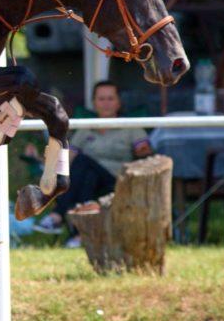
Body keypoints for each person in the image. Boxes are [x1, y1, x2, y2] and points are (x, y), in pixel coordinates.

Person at [32, 80, 152, 247]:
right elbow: (67, 159)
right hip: (89, 182)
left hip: (117, 182)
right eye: (101, 99)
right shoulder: (85, 128)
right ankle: (79, 236)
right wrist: (45, 163)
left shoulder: (131, 127)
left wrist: (143, 151)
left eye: (110, 98)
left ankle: (57, 216)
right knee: (88, 175)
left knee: (83, 161)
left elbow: (145, 153)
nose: (106, 103)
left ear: (119, 102)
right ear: (94, 103)